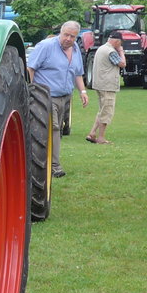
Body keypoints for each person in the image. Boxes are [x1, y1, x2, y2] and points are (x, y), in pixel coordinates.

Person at [27, 21, 88, 178]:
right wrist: (29, 91)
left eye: (72, 36)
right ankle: (54, 166)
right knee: (53, 129)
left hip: (65, 97)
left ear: (76, 37)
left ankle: (45, 161)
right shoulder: (46, 46)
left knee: (58, 130)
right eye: (66, 35)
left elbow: (77, 73)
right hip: (45, 97)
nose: (68, 39)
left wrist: (82, 91)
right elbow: (30, 68)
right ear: (60, 32)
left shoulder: (76, 49)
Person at [86, 30, 126, 144]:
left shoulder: (101, 48)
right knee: (107, 112)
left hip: (99, 84)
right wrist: (121, 51)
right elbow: (122, 64)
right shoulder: (111, 51)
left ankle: (92, 133)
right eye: (121, 43)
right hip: (107, 86)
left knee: (102, 110)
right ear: (117, 41)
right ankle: (101, 138)